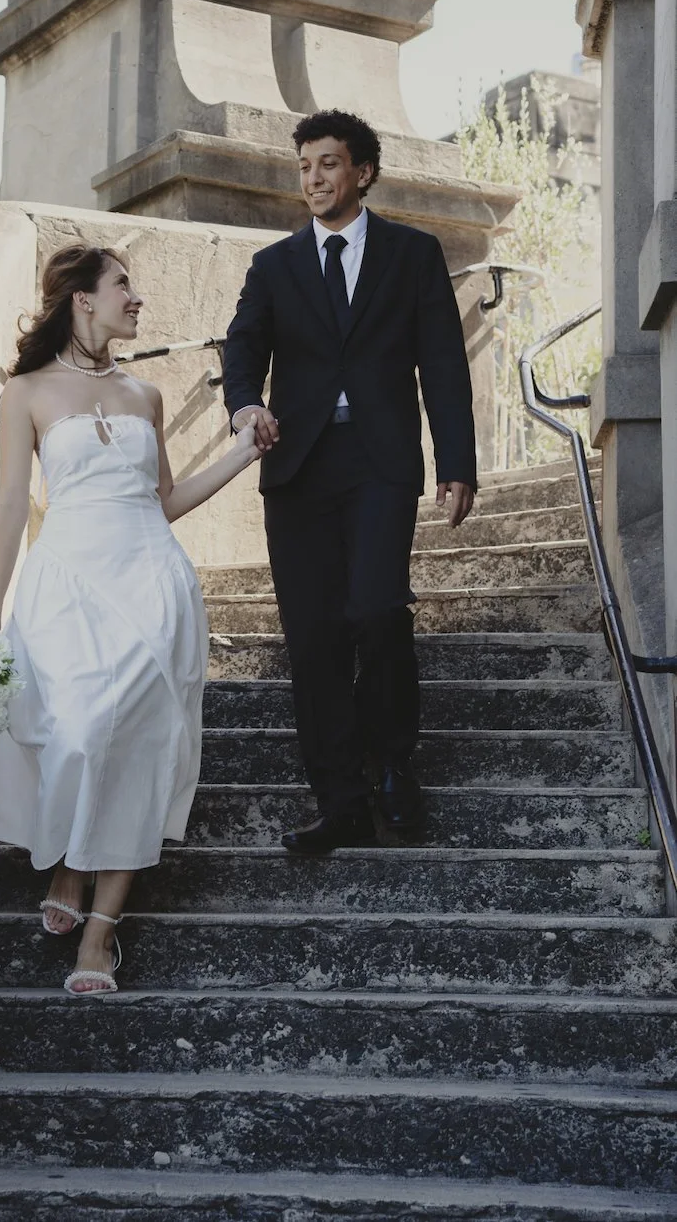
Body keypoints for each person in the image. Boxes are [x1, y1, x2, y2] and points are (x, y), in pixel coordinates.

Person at [0, 242, 259, 993]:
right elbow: (10, 504)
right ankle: (69, 860)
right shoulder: (26, 391)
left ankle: (101, 931)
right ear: (83, 299)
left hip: (151, 583)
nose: (136, 299)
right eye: (124, 285)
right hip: (67, 583)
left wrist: (240, 453)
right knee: (77, 729)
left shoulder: (147, 396)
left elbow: (162, 502)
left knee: (139, 742)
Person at [222, 109, 476, 853]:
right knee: (312, 637)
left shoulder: (413, 253)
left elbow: (444, 366)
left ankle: (393, 762)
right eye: (304, 167)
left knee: (376, 609)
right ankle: (338, 798)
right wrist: (246, 405)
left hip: (379, 462)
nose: (313, 179)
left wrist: (457, 462)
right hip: (298, 467)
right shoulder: (274, 267)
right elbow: (244, 349)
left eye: (327, 164)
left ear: (362, 171)